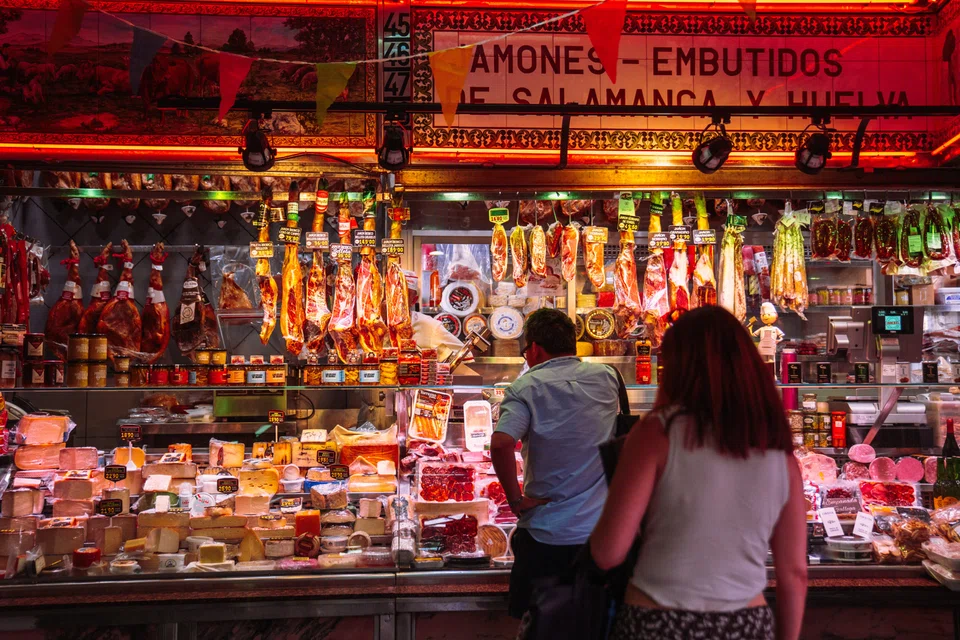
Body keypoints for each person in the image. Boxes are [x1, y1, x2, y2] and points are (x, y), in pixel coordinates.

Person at [590, 306, 807, 640]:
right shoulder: (779, 451)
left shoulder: (655, 433)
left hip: (657, 622)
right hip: (745, 624)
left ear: (676, 367)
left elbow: (607, 553)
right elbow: (794, 573)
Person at [490, 308, 620, 622]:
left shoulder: (525, 387)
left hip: (547, 536)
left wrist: (516, 500)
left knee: (543, 627)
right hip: (597, 534)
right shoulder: (607, 377)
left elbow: (501, 443)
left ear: (534, 348)